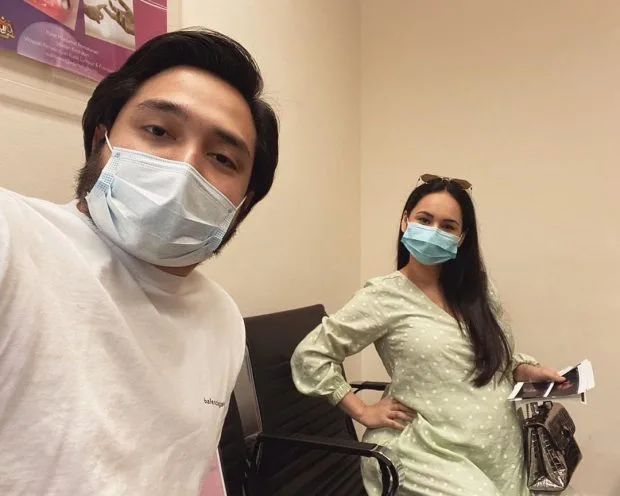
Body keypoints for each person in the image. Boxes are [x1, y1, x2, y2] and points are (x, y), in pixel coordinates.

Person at [0, 29, 278, 495]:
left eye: (222, 158)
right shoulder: (15, 237)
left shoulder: (223, 318)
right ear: (101, 139)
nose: (186, 167)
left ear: (243, 204)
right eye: (158, 131)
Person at [291, 175, 564, 496]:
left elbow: (489, 357)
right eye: (424, 220)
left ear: (462, 237)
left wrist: (525, 370)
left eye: (448, 226)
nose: (434, 231)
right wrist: (361, 410)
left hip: (499, 452)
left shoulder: (478, 291)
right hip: (426, 450)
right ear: (405, 222)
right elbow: (311, 355)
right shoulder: (383, 296)